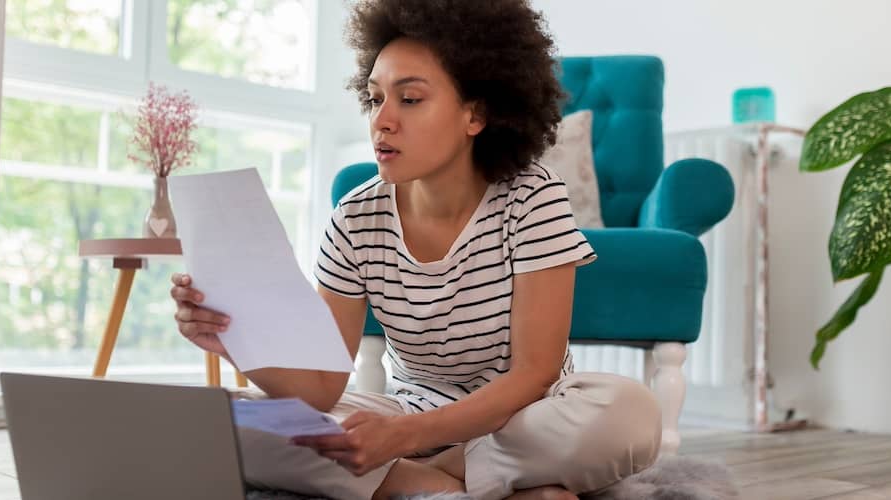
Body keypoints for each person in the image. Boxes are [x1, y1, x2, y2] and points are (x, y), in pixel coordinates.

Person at [170, 0, 661, 498]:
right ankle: (467, 485)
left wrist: (406, 439)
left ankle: (438, 479)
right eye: (375, 98)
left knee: (629, 412)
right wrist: (238, 343)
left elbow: (536, 374)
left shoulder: (533, 196)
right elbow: (321, 386)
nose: (382, 120)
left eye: (409, 99)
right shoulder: (355, 219)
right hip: (407, 416)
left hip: (522, 420)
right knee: (235, 418)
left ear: (476, 114)